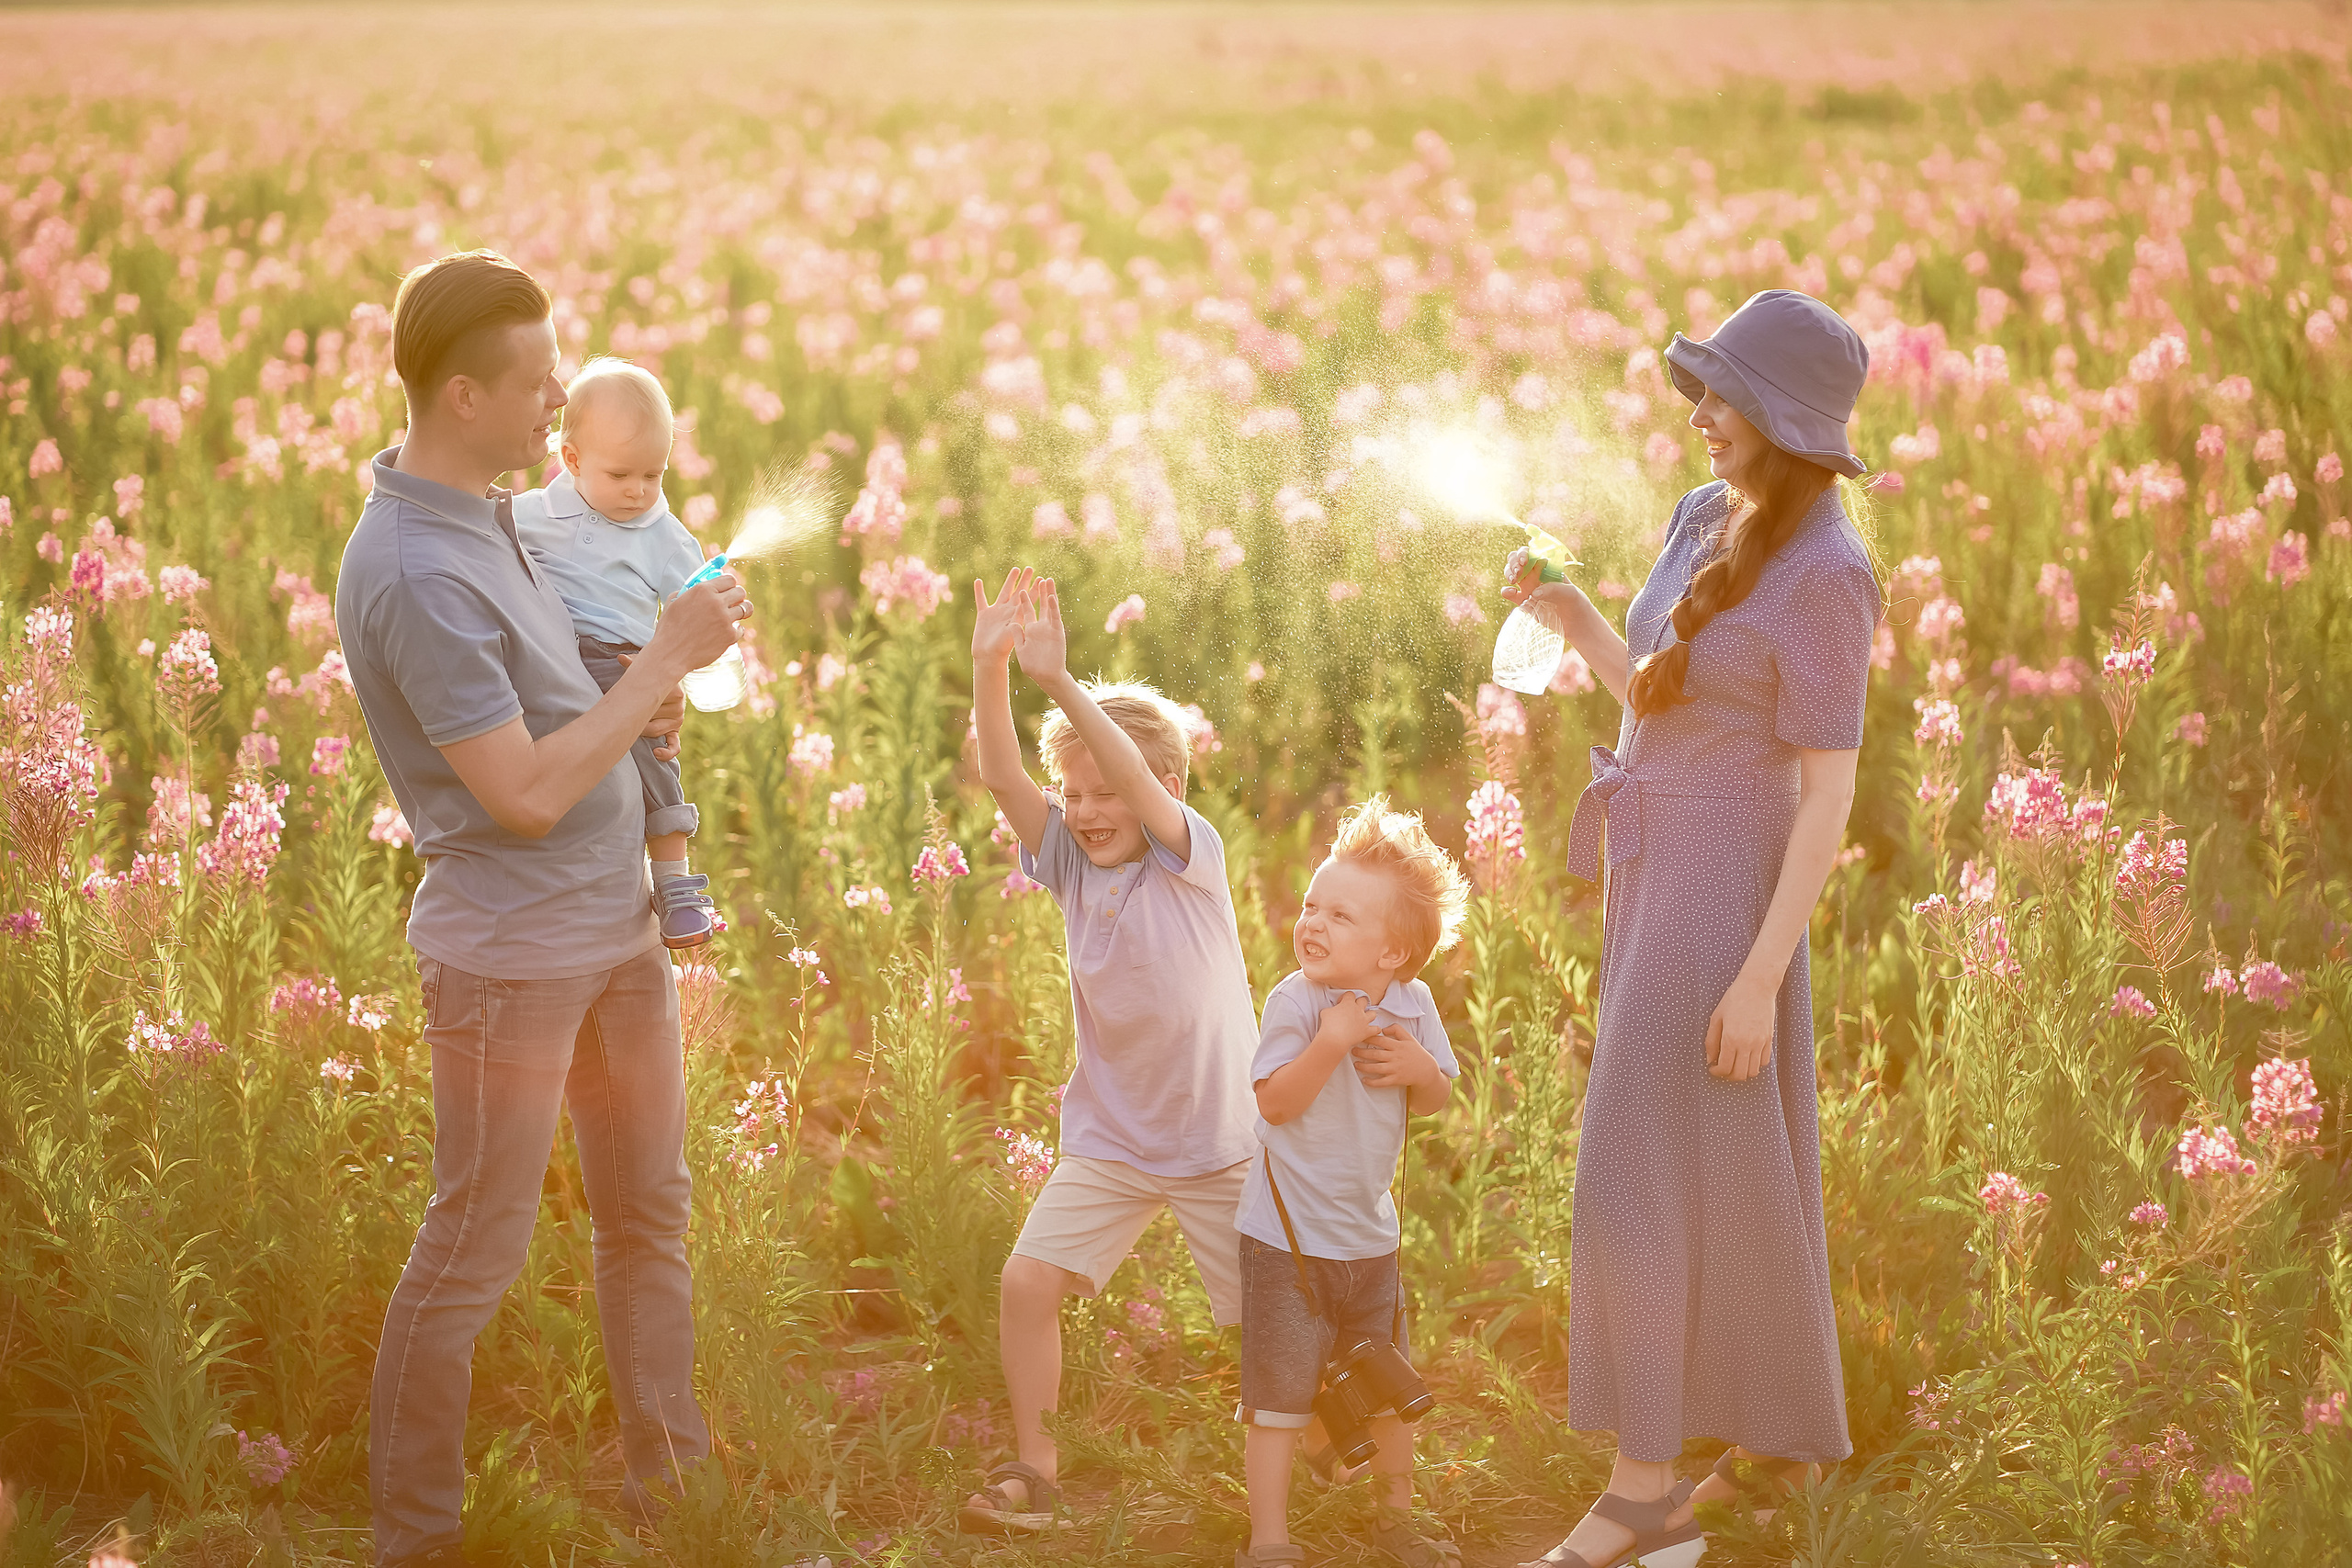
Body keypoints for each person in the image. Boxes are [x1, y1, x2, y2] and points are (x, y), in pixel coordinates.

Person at [335, 250, 750, 1568]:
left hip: (614, 931)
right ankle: (418, 1537)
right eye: (538, 383)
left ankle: (674, 1495)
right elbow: (516, 792)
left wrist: (644, 691)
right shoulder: (417, 567)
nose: (560, 399)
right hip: (512, 961)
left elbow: (564, 705)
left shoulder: (497, 517)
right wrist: (659, 666)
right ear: (462, 396)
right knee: (473, 1246)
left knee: (648, 1214)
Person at [1502, 289, 1880, 1568]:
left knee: (1629, 1170)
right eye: (1701, 389)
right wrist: (1572, 617)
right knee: (1717, 1166)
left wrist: (1760, 977)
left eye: (1724, 395)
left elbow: (1826, 798)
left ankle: (1642, 1489)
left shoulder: (1831, 574)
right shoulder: (1699, 516)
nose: (1700, 412)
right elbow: (1661, 699)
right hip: (1651, 871)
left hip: (1727, 896)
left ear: (1786, 417)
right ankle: (1767, 1445)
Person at [960, 568, 1260, 1533]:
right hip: (1114, 1140)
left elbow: (1130, 778)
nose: (1087, 810)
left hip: (1221, 1141)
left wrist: (1059, 682)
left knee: (1268, 1325)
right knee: (1026, 1282)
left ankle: (1326, 1452)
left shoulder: (1188, 858)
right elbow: (1005, 779)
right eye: (1074, 793)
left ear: (1161, 791)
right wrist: (991, 667)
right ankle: (1036, 1470)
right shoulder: (1069, 866)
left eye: (1106, 793)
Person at [1231, 797, 1467, 1568]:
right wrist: (1330, 1043)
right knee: (1278, 1397)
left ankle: (1395, 1519)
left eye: (1339, 914)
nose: (1313, 923)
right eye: (1311, 906)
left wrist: (1422, 1070)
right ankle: (1269, 1539)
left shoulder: (1414, 1004)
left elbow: (1436, 1097)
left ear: (1392, 950)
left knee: (1388, 1383)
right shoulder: (1296, 1001)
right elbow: (1274, 1103)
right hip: (1286, 1244)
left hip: (1369, 1239)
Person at [510, 355, 719, 948]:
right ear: (572, 460)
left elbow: (694, 614)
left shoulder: (664, 534)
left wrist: (708, 624)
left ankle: (674, 884)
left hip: (623, 663)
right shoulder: (527, 514)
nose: (639, 491)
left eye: (654, 474)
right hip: (546, 657)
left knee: (655, 759)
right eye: (622, 474)